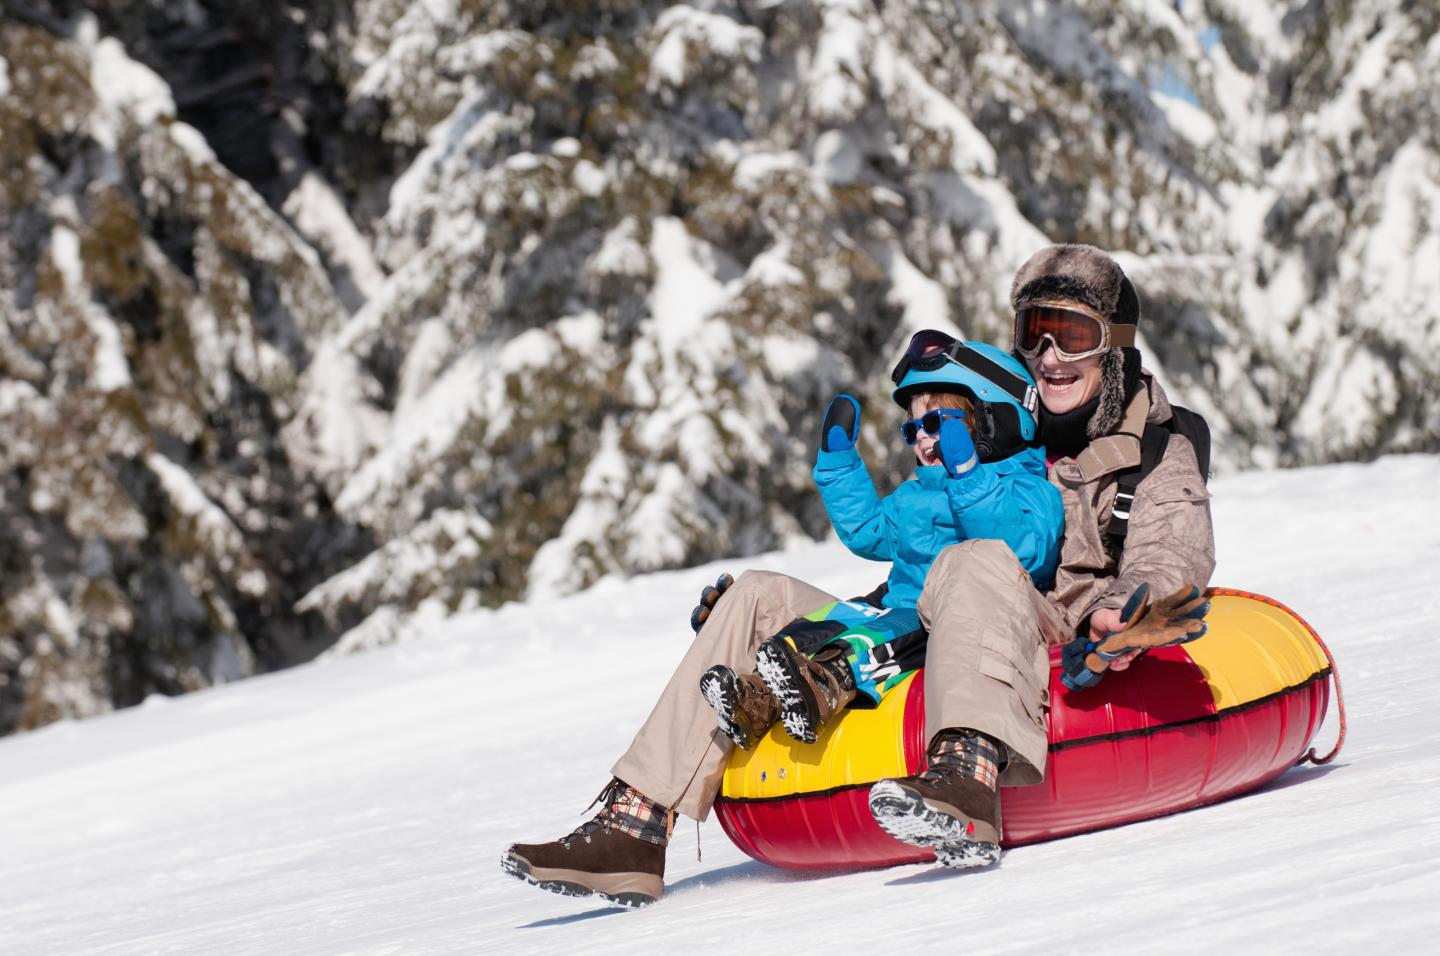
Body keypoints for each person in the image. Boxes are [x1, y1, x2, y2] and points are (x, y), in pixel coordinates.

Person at [502, 245, 1215, 906]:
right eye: (1035, 332)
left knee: (973, 559)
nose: (1050, 355)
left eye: (1074, 334)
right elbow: (895, 532)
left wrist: (1124, 609)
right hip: (939, 618)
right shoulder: (1004, 426)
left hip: (1053, 629)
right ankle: (635, 820)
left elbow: (1169, 550)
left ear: (1115, 345)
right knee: (755, 595)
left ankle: (966, 778)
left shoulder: (1156, 447)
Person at [698, 343, 1063, 752]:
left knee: (879, 636)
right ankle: (756, 697)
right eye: (913, 428)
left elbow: (1020, 548)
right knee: (827, 622)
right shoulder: (913, 496)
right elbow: (869, 531)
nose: (924, 438)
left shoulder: (1029, 489)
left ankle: (822, 689)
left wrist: (969, 480)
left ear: (994, 421)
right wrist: (840, 466)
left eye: (940, 422)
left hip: (943, 623)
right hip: (892, 605)